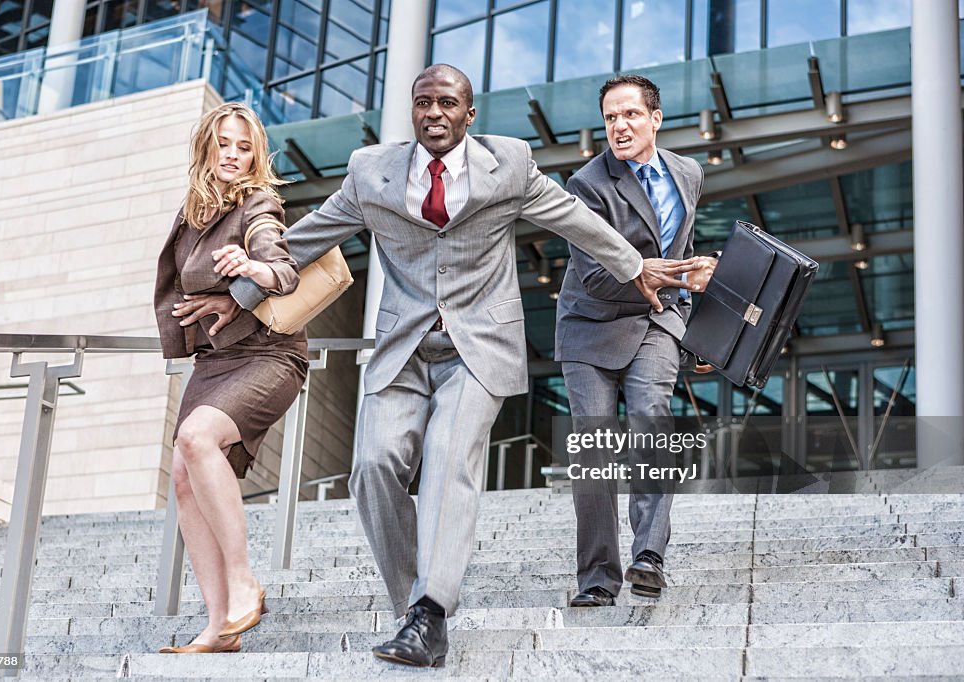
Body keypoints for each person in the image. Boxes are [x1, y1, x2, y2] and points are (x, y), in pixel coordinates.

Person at [219, 64, 700, 667]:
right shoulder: (372, 172)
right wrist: (233, 298)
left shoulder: (511, 164)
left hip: (479, 349)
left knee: (448, 459)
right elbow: (309, 237)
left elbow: (577, 221)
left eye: (448, 103)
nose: (434, 113)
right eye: (424, 103)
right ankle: (413, 605)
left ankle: (431, 612)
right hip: (404, 349)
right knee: (371, 468)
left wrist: (635, 267)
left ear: (469, 114)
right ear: (412, 111)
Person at [555, 75, 717, 606]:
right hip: (591, 326)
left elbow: (682, 244)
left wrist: (696, 321)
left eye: (629, 115)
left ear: (656, 118)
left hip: (656, 322)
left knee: (652, 416)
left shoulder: (688, 173)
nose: (618, 126)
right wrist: (673, 275)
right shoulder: (587, 185)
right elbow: (598, 275)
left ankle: (649, 554)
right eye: (609, 118)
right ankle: (598, 579)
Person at [152, 102, 308, 654]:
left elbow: (281, 266)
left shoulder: (260, 203)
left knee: (197, 438)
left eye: (244, 147)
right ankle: (219, 628)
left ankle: (244, 581)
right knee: (182, 474)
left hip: (269, 355)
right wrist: (221, 297)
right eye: (225, 144)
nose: (234, 156)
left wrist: (252, 270)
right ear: (207, 147)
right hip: (215, 359)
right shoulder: (193, 212)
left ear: (256, 154)